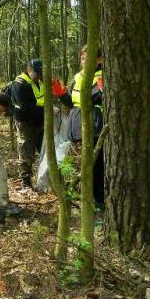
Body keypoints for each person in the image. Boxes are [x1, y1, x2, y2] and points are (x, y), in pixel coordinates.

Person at [52, 46, 105, 209]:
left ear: (99, 60)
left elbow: (101, 99)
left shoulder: (102, 77)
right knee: (86, 163)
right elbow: (74, 103)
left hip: (95, 124)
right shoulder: (78, 77)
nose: (84, 61)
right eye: (82, 58)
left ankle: (98, 201)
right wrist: (62, 94)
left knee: (97, 164)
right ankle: (88, 196)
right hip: (77, 124)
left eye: (89, 57)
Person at [10, 59, 45, 189]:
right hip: (25, 123)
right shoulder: (19, 84)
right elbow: (25, 107)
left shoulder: (40, 82)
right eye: (37, 73)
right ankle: (26, 182)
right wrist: (46, 110)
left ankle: (47, 179)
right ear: (29, 70)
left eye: (41, 73)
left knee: (44, 149)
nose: (39, 75)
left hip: (39, 122)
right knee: (26, 150)